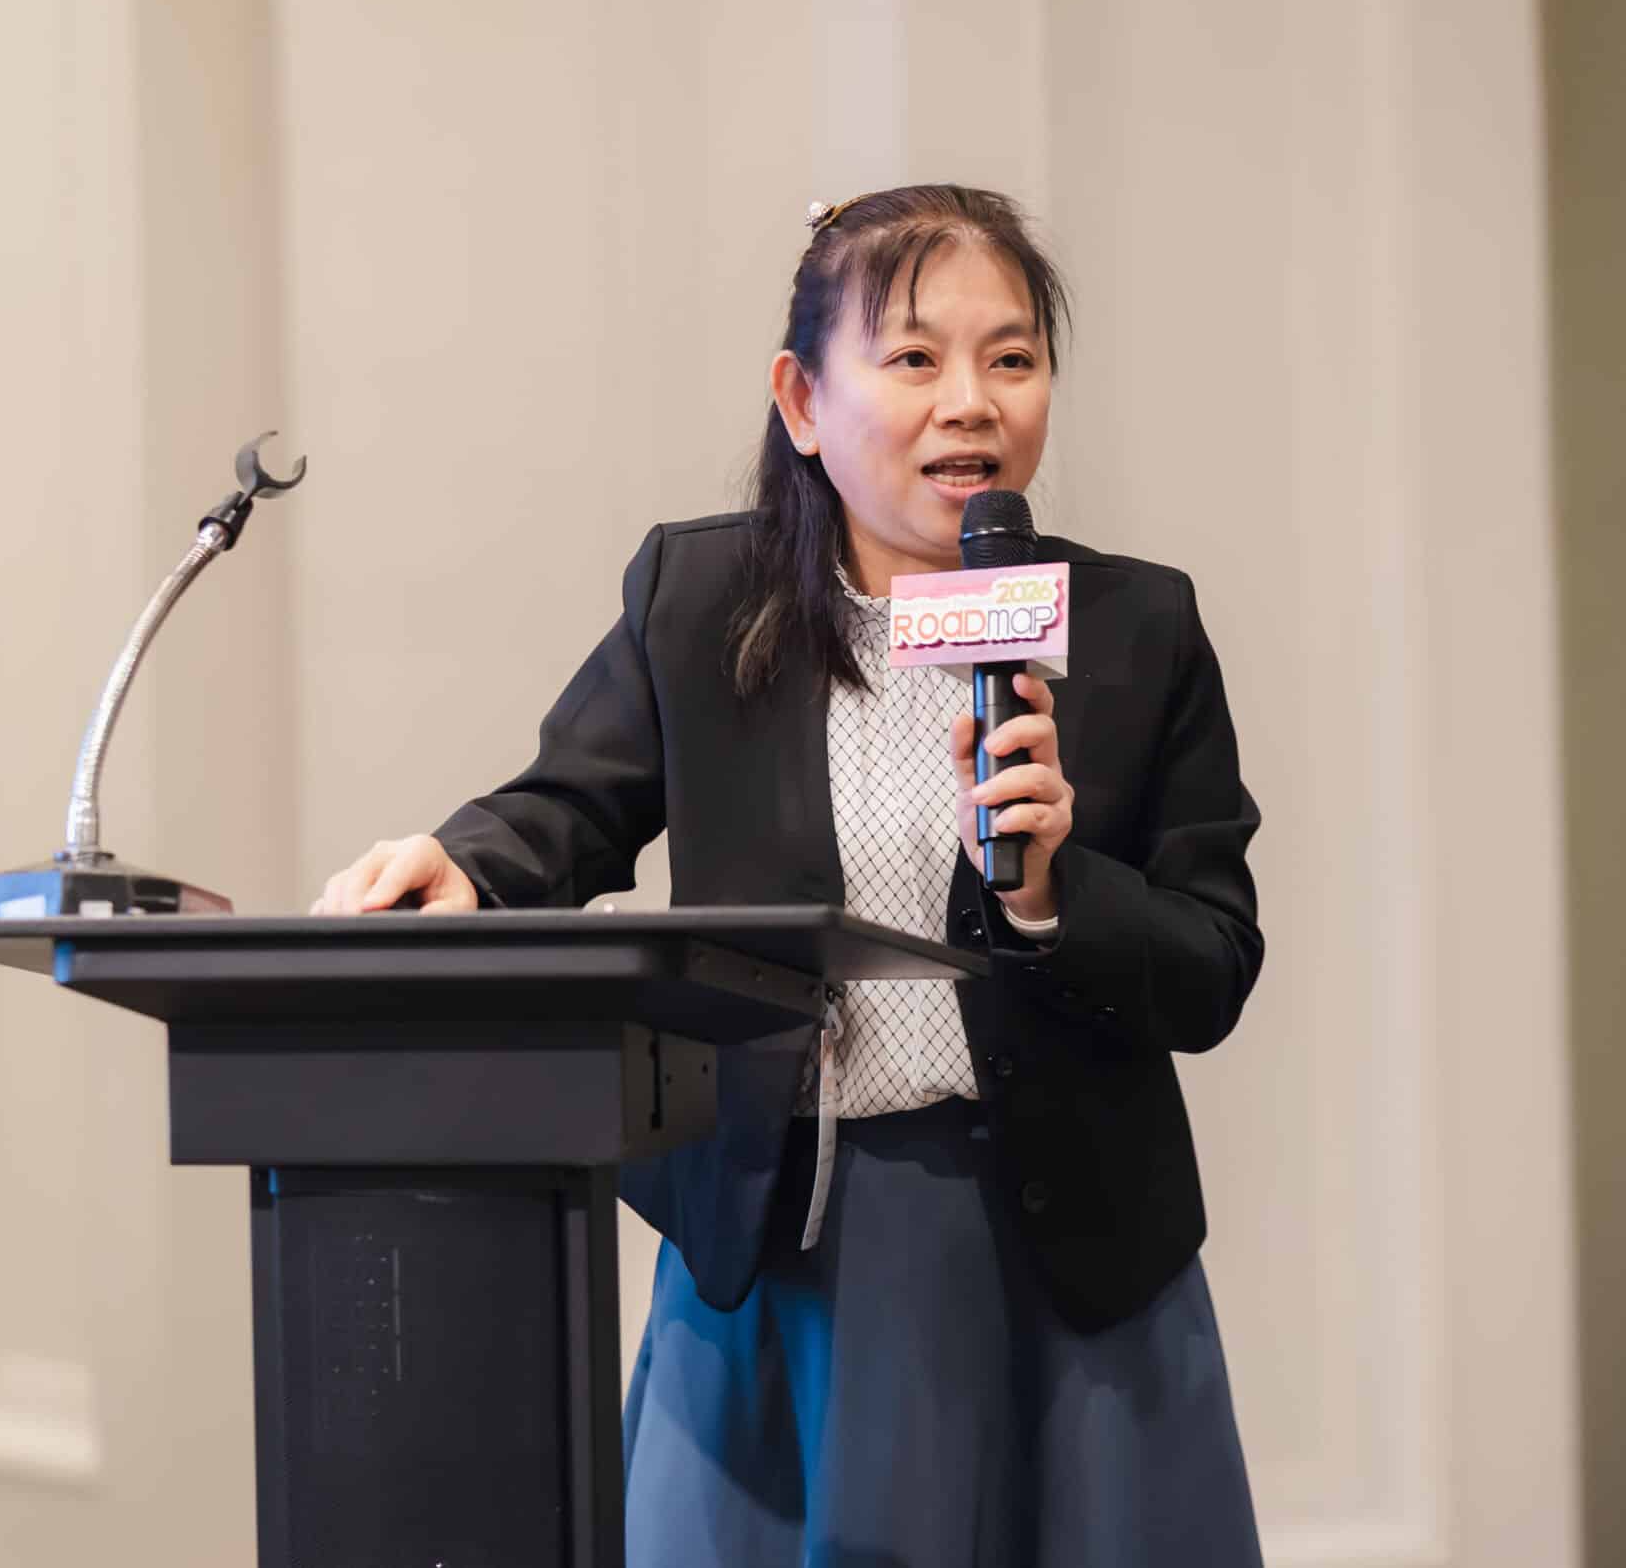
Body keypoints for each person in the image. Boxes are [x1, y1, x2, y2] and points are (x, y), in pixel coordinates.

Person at [312, 183, 1265, 1565]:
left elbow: (1213, 960)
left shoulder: (1135, 627)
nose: (971, 403)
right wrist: (464, 865)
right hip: (781, 1239)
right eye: (914, 357)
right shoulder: (703, 604)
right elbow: (569, 808)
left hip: (1060, 1264)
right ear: (804, 402)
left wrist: (1056, 894)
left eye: (1011, 358)